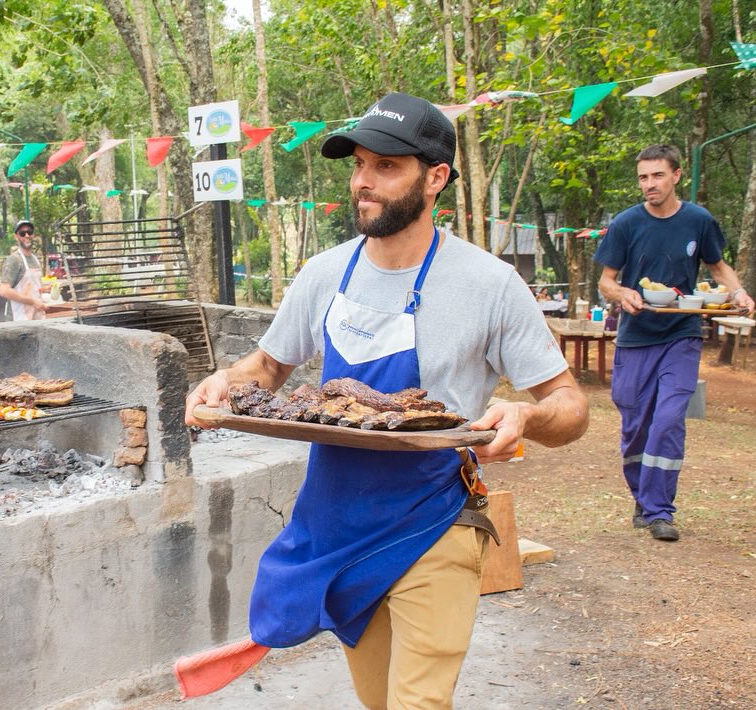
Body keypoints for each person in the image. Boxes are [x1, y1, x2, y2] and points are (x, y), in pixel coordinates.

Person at [185, 91, 589, 709]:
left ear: (436, 178)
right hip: (340, 520)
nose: (363, 183)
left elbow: (569, 403)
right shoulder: (324, 273)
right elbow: (266, 367)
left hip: (437, 520)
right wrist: (224, 382)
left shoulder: (489, 284)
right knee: (378, 701)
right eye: (358, 165)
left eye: (386, 167)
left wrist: (527, 414)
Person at [594, 144, 754, 542]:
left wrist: (738, 294)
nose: (650, 184)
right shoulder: (626, 223)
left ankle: (660, 510)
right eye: (644, 177)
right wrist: (622, 294)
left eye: (657, 175)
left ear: (676, 175)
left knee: (667, 421)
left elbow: (718, 267)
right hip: (636, 337)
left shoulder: (699, 220)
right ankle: (642, 496)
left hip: (682, 334)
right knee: (636, 427)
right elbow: (606, 281)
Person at [0, 220, 48, 321]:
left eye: (29, 232)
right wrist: (32, 301)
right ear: (16, 237)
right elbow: (4, 291)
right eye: (22, 233)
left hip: (36, 317)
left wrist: (46, 289)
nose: (26, 235)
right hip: (18, 319)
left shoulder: (35, 259)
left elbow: (33, 287)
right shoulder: (14, 260)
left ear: (33, 235)